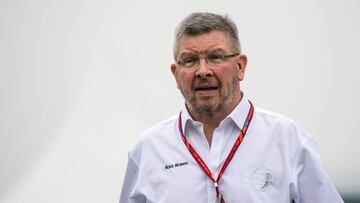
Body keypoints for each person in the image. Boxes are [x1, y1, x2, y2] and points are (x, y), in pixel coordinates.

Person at [119, 12, 344, 203]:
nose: (203, 71)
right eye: (189, 60)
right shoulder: (147, 150)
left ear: (240, 66)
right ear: (176, 74)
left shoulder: (289, 140)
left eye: (216, 57)